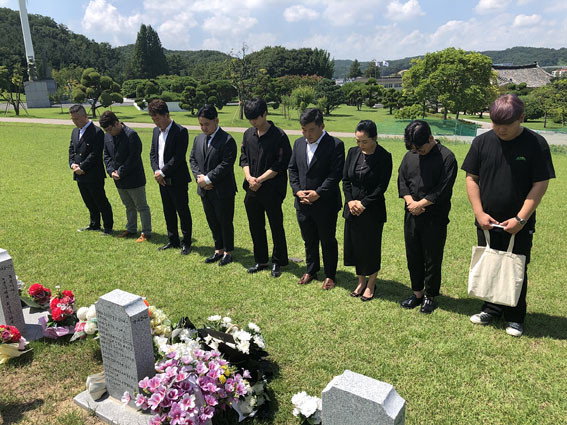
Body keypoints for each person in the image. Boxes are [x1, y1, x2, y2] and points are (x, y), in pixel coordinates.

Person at [462, 94, 555, 337]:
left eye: (507, 124)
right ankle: (490, 309)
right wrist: (479, 212)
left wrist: (521, 218)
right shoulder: (481, 142)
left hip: (519, 222)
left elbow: (540, 183)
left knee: (516, 266)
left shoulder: (536, 143)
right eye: (495, 123)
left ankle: (515, 317)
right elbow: (471, 178)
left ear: (521, 118)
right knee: (491, 263)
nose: (500, 129)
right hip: (486, 221)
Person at [398, 120, 457, 313]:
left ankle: (430, 296)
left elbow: (443, 188)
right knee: (413, 254)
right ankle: (417, 293)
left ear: (431, 138)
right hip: (411, 213)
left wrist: (421, 204)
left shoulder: (447, 157)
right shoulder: (410, 155)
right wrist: (410, 202)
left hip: (434, 216)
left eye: (420, 149)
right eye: (414, 150)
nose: (417, 152)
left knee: (432, 257)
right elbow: (402, 180)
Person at [288, 108, 345, 289]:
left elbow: (335, 174)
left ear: (322, 126)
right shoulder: (298, 143)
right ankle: (311, 270)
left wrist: (318, 193)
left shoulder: (335, 145)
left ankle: (330, 275)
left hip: (325, 203)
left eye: (311, 130)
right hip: (302, 203)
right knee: (309, 239)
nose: (307, 134)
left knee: (327, 240)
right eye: (304, 129)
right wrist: (297, 191)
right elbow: (292, 169)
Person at [240, 98, 292, 278]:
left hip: (272, 188)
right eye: (250, 119)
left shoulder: (279, 136)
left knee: (276, 225)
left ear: (265, 114)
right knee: (255, 225)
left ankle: (278, 261)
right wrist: (249, 178)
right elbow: (243, 159)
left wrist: (259, 180)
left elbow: (280, 164)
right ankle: (261, 260)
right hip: (251, 187)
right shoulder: (248, 134)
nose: (253, 122)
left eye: (255, 118)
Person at [343, 120, 392, 301]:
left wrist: (363, 204)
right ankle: (361, 281)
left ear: (375, 138)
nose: (360, 145)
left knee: (370, 247)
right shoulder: (352, 152)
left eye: (364, 141)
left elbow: (381, 187)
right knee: (355, 246)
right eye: (357, 141)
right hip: (352, 208)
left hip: (372, 210)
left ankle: (371, 284)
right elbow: (346, 180)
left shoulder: (384, 156)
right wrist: (350, 202)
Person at [189, 104, 237, 266]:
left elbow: (226, 164)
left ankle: (228, 252)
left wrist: (208, 179)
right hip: (204, 190)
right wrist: (200, 179)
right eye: (201, 124)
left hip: (222, 190)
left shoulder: (227, 140)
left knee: (225, 221)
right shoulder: (198, 139)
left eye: (206, 124)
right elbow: (193, 159)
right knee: (212, 220)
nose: (203, 128)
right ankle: (218, 249)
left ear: (216, 120)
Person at [148, 99, 192, 255]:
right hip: (162, 180)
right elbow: (153, 154)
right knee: (168, 211)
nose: (155, 122)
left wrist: (163, 172)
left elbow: (178, 157)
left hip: (177, 179)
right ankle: (173, 240)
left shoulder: (181, 131)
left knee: (182, 211)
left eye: (157, 119)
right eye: (153, 119)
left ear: (167, 115)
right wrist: (156, 171)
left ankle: (186, 243)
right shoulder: (156, 131)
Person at [100, 111, 151, 243]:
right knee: (128, 205)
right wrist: (111, 171)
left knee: (141, 206)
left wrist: (120, 172)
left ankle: (146, 232)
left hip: (134, 178)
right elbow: (106, 156)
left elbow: (134, 157)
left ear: (117, 123)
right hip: (118, 178)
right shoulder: (107, 136)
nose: (109, 132)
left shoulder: (131, 135)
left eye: (110, 129)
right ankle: (131, 229)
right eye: (106, 130)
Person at [68, 104, 113, 235]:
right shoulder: (75, 132)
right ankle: (94, 224)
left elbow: (96, 153)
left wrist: (83, 167)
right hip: (79, 173)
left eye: (77, 119)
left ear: (85, 116)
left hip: (93, 173)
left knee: (100, 200)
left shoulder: (97, 132)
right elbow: (72, 149)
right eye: (72, 119)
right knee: (88, 200)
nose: (75, 122)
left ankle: (108, 226)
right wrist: (72, 164)